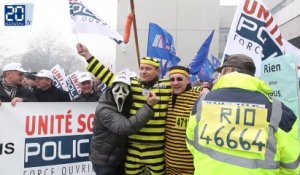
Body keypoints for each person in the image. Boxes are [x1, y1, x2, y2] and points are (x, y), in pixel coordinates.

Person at [186, 54, 299, 175]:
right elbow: (291, 165)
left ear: (228, 71)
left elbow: (191, 142)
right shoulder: (278, 110)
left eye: (221, 72)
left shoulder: (203, 102)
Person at [76, 43, 171, 174]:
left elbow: (185, 87)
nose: (143, 72)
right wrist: (88, 55)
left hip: (156, 148)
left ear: (158, 71)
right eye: (141, 68)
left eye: (148, 69)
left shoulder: (167, 86)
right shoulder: (132, 84)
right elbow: (107, 76)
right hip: (133, 147)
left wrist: (205, 88)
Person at [90, 73, 159, 175]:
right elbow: (125, 127)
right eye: (117, 90)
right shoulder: (104, 109)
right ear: (111, 90)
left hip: (117, 159)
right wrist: (148, 107)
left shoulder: (125, 104)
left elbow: (141, 93)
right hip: (105, 162)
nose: (120, 94)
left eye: (124, 90)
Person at [165, 66, 207, 174]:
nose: (175, 83)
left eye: (179, 79)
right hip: (169, 163)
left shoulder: (197, 95)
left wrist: (207, 88)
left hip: (190, 165)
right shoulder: (166, 96)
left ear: (188, 80)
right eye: (172, 79)